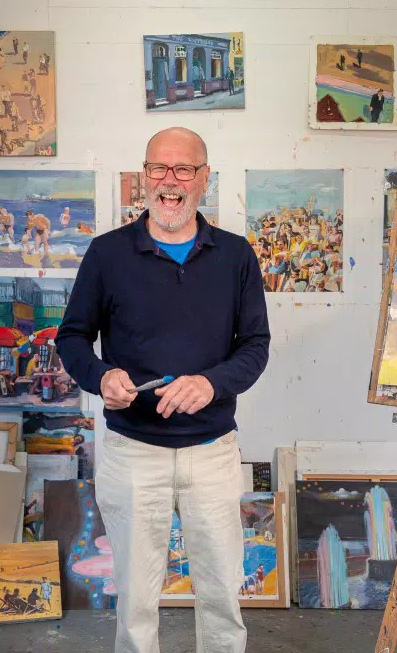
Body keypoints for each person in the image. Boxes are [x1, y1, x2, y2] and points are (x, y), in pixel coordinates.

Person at [56, 127, 270, 653]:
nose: (169, 183)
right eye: (158, 169)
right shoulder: (107, 254)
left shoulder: (237, 256)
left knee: (221, 595)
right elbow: (73, 337)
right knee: (134, 601)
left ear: (205, 179)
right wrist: (100, 376)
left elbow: (256, 346)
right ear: (143, 175)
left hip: (213, 452)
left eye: (183, 170)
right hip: (132, 453)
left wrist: (212, 383)